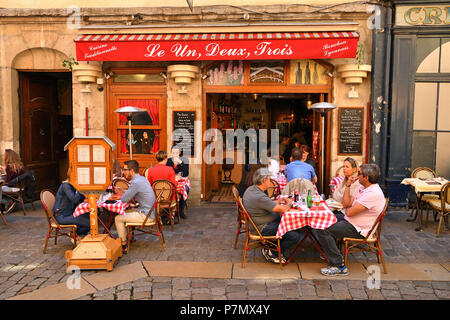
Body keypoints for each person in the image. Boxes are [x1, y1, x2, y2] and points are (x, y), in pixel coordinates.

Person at [313, 163, 386, 276]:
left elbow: (349, 211)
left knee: (322, 229)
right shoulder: (363, 187)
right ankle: (330, 251)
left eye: (359, 173)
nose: (357, 175)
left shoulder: (373, 193)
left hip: (359, 229)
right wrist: (348, 185)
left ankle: (339, 265)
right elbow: (346, 203)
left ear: (366, 178)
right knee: (321, 219)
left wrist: (349, 207)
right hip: (350, 220)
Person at [242, 168, 304, 264]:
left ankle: (270, 247)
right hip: (262, 228)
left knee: (291, 226)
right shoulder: (259, 196)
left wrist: (278, 201)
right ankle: (272, 252)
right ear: (264, 180)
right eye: (270, 179)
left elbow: (266, 203)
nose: (270, 182)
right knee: (295, 236)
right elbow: (282, 209)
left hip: (258, 223)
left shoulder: (251, 189)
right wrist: (290, 203)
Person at [111, 160, 156, 254]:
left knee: (118, 218)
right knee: (124, 212)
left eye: (125, 169)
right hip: (150, 211)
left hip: (146, 215)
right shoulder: (141, 179)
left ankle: (123, 245)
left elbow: (124, 199)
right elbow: (131, 194)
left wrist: (122, 193)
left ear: (131, 171)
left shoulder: (135, 182)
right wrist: (124, 191)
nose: (123, 172)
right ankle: (127, 238)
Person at [52, 168, 90, 241]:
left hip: (69, 213)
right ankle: (76, 234)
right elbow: (75, 199)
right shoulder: (66, 186)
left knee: (89, 216)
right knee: (90, 223)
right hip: (61, 216)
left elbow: (80, 199)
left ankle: (75, 234)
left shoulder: (72, 185)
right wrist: (80, 188)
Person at [166, 146, 190, 218]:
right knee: (168, 189)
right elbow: (168, 172)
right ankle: (170, 209)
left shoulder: (185, 160)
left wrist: (181, 163)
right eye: (173, 153)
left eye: (176, 153)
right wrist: (175, 175)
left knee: (185, 188)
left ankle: (180, 211)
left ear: (179, 153)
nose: (174, 154)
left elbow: (185, 173)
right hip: (172, 180)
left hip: (182, 181)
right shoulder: (169, 161)